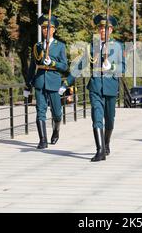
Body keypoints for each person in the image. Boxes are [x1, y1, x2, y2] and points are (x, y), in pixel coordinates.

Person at [59, 14, 125, 162]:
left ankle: (106, 142)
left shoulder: (118, 46)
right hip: (95, 86)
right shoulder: (91, 47)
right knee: (96, 118)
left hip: (110, 87)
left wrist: (112, 66)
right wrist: (66, 83)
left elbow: (123, 68)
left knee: (110, 121)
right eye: (101, 28)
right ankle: (100, 150)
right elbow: (80, 66)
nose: (103, 31)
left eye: (106, 28)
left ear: (111, 30)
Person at [25, 15, 68, 149]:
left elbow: (65, 66)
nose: (46, 30)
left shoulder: (60, 46)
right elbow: (32, 66)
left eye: (49, 28)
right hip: (39, 81)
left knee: (57, 113)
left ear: (54, 30)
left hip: (54, 81)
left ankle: (56, 131)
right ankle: (42, 139)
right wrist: (28, 83)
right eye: (44, 28)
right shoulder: (37, 46)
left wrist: (53, 63)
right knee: (40, 111)